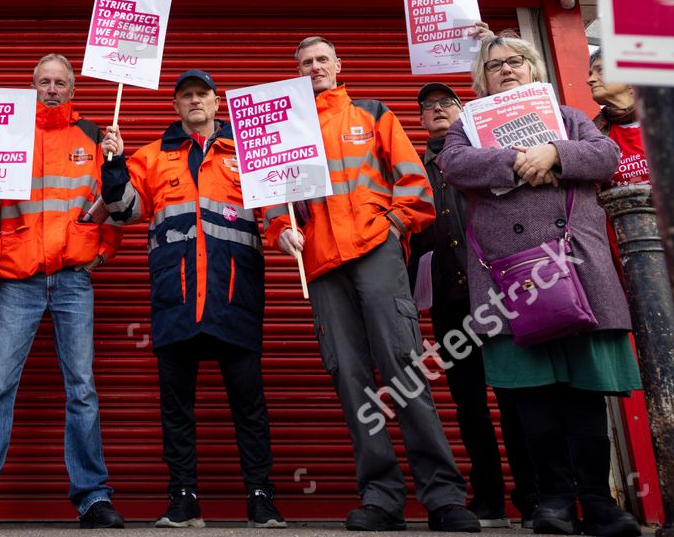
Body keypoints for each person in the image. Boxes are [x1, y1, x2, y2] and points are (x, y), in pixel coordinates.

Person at [262, 37, 479, 533]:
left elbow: (413, 182)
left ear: (339, 66)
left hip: (374, 248)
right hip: (319, 260)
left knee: (404, 367)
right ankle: (381, 497)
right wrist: (279, 230)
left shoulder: (373, 112)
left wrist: (396, 226)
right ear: (297, 72)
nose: (314, 67)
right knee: (352, 377)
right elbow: (270, 199)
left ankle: (444, 497)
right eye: (305, 63)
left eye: (322, 60)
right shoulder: (281, 125)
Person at [435, 36, 641, 537]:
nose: (506, 70)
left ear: (532, 68)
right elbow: (453, 165)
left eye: (515, 62)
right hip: (511, 276)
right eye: (494, 65)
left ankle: (598, 500)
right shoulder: (466, 126)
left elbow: (606, 155)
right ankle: (552, 502)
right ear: (481, 79)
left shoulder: (570, 117)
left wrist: (554, 152)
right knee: (533, 395)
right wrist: (521, 161)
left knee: (585, 392)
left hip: (578, 268)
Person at [0, 53, 125, 530]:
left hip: (71, 277)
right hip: (17, 277)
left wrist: (102, 251)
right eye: (43, 81)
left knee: (81, 389)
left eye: (59, 82)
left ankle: (92, 497)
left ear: (72, 88)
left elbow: (112, 200)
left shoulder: (96, 136)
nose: (50, 89)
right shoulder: (9, 133)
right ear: (32, 86)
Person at [98, 69, 286, 529]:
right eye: (186, 96)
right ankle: (183, 497)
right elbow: (123, 211)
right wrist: (114, 163)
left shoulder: (250, 150)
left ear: (217, 103)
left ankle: (260, 496)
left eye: (203, 94)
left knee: (248, 404)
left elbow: (279, 211)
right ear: (177, 107)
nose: (195, 101)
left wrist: (289, 228)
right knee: (176, 407)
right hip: (176, 297)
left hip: (234, 295)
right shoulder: (152, 156)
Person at [409, 81, 536, 529]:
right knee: (468, 404)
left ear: (464, 110)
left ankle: (532, 494)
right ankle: (487, 496)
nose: (438, 110)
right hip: (448, 301)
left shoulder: (485, 152)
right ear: (421, 119)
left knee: (514, 394)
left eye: (447, 103)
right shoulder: (414, 166)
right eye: (429, 107)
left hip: (498, 293)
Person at [587, 51, 648, 188]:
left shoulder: (670, 121)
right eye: (590, 74)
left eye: (600, 71)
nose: (590, 80)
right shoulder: (591, 134)